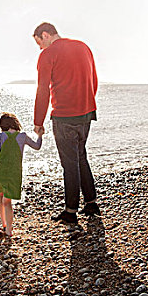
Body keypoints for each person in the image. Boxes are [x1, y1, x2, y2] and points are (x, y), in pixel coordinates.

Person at [32, 22, 100, 224]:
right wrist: (86, 104)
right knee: (81, 157)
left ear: (45, 35)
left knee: (69, 164)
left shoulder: (48, 54)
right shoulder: (83, 46)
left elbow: (43, 89)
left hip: (64, 116)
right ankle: (91, 203)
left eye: (39, 43)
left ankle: (71, 211)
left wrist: (38, 121)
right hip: (86, 112)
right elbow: (93, 80)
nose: (40, 49)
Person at [0, 112, 43, 237]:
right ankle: (9, 231)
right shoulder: (22, 136)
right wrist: (40, 135)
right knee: (8, 202)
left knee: (0, 198)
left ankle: (4, 224)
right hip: (14, 173)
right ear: (15, 123)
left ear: (2, 125)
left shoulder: (0, 136)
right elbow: (37, 146)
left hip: (0, 172)